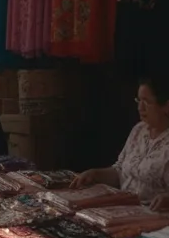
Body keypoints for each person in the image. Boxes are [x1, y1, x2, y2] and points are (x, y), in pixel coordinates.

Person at [70, 78, 169, 210]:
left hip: (155, 215)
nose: (140, 107)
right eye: (139, 100)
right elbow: (120, 171)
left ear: (166, 106)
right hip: (124, 206)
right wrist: (95, 174)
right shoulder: (139, 130)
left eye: (147, 102)